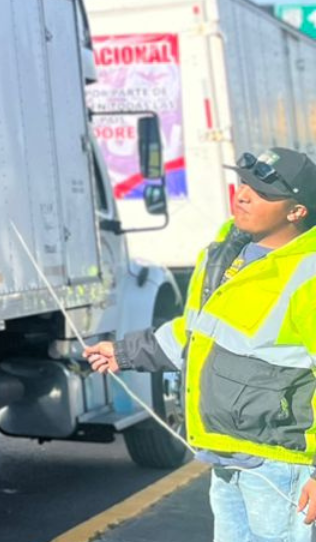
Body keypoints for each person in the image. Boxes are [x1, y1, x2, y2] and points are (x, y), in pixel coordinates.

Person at [84, 147, 316, 541]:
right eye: (243, 183)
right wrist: (124, 353)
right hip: (225, 457)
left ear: (296, 211)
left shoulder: (307, 273)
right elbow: (195, 331)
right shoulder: (228, 252)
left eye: (260, 191)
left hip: (278, 464)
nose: (242, 195)